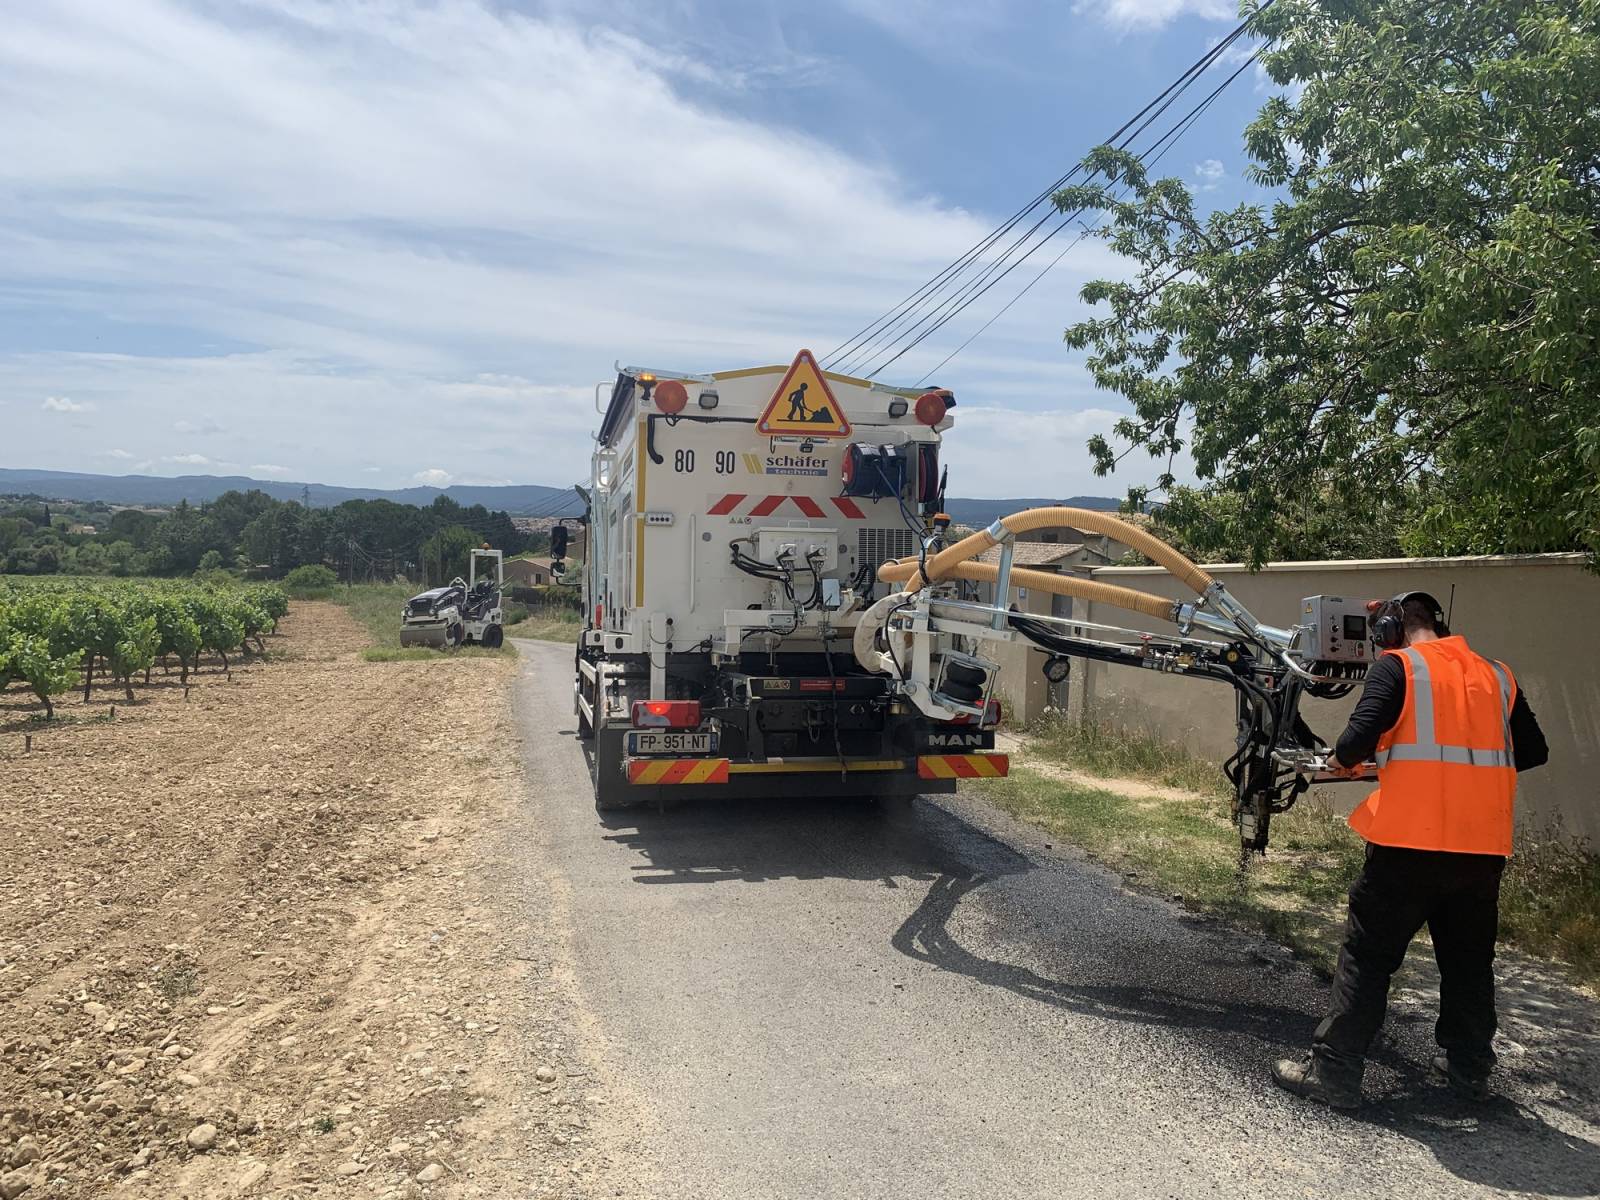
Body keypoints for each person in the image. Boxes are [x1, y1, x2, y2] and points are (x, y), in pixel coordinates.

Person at [1273, 591, 1548, 1109]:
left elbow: (1353, 746)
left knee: (1368, 956)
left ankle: (1334, 1072)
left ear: (1391, 631)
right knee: (1468, 962)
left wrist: (1387, 764)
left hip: (1408, 845)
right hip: (1480, 851)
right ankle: (1468, 1071)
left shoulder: (1398, 669)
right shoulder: (1498, 676)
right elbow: (1532, 751)